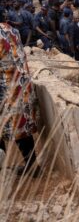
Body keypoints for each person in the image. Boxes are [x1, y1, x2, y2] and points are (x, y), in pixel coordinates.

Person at [0, 22, 40, 177]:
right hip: (21, 88)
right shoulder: (10, 29)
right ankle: (32, 166)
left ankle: (2, 172)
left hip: (6, 91)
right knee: (22, 129)